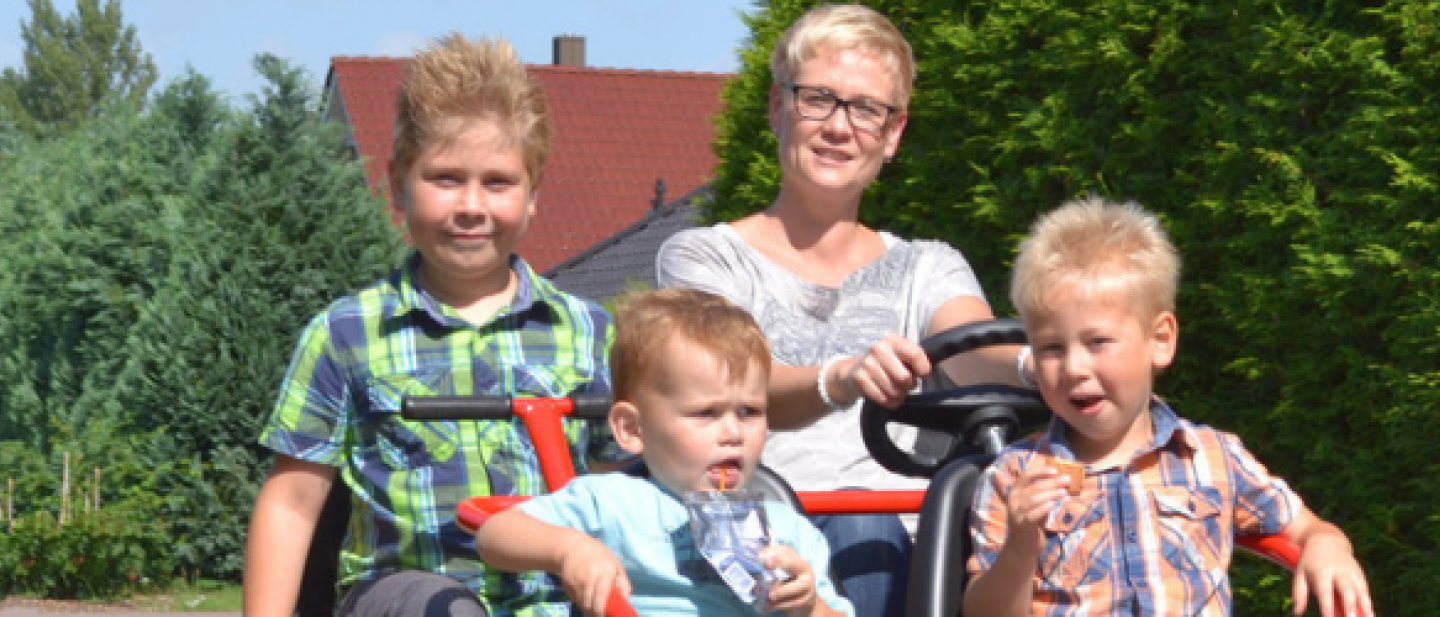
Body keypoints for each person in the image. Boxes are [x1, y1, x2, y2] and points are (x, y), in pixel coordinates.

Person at [654, 5, 1028, 615]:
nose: (838, 127)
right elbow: (724, 386)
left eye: (865, 109)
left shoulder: (927, 267)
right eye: (818, 100)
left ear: (893, 133)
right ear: (778, 108)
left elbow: (974, 349)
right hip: (752, 535)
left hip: (907, 548)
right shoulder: (704, 260)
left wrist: (1051, 365)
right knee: (860, 528)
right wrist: (843, 378)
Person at [243, 33, 625, 617]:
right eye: (445, 179)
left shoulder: (590, 333)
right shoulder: (346, 335)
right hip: (404, 593)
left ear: (532, 195)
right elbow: (292, 504)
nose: (471, 205)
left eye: (498, 182)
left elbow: (621, 490)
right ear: (399, 183)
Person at [964, 196, 1375, 617]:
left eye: (1097, 342)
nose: (1073, 367)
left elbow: (1306, 527)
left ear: (1160, 340)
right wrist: (1021, 542)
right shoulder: (1016, 476)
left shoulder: (1214, 457)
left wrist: (1328, 546)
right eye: (1051, 348)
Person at [476, 288, 854, 617]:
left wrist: (809, 608)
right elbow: (495, 534)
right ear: (632, 429)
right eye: (706, 413)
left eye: (749, 412)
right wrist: (569, 549)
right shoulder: (615, 502)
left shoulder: (787, 530)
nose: (733, 432)